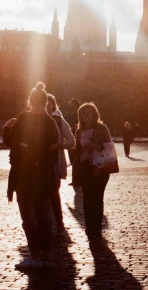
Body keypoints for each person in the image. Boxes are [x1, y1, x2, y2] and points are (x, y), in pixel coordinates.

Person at [7, 82, 57, 269]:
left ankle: (34, 255)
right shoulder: (50, 122)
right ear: (45, 102)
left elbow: (12, 143)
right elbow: (51, 150)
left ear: (30, 101)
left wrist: (7, 128)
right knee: (43, 214)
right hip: (43, 174)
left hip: (24, 173)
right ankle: (45, 254)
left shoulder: (23, 118)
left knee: (28, 215)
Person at [72, 102, 114, 240]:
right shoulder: (79, 131)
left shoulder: (101, 128)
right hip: (85, 167)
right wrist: (75, 171)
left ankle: (97, 226)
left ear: (95, 114)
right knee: (87, 199)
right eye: (83, 114)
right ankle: (89, 225)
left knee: (97, 198)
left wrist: (94, 146)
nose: (86, 116)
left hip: (99, 166)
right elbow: (77, 152)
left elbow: (108, 146)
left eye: (89, 113)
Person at [47, 94, 74, 233]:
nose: (47, 105)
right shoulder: (32, 119)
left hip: (54, 162)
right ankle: (46, 224)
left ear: (54, 105)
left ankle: (59, 222)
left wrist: (58, 145)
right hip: (36, 163)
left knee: (53, 193)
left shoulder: (58, 120)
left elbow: (71, 140)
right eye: (44, 102)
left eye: (50, 102)